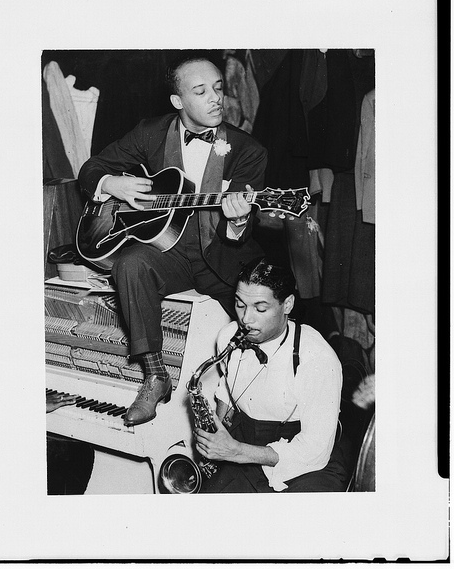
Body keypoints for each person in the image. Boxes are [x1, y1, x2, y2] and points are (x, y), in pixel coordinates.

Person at [78, 55, 267, 426]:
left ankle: (249, 406)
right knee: (131, 263)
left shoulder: (248, 150)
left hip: (222, 256)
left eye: (218, 88)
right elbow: (92, 168)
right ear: (178, 102)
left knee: (262, 327)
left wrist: (239, 218)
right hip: (170, 251)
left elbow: (240, 228)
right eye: (201, 91)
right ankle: (154, 375)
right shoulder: (151, 132)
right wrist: (113, 184)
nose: (216, 99)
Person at [194, 257, 350, 493]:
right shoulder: (228, 337)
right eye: (239, 304)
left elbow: (314, 450)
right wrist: (217, 436)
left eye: (260, 308)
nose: (246, 319)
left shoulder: (317, 359)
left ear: (287, 305)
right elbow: (226, 387)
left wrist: (236, 451)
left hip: (305, 464)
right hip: (243, 444)